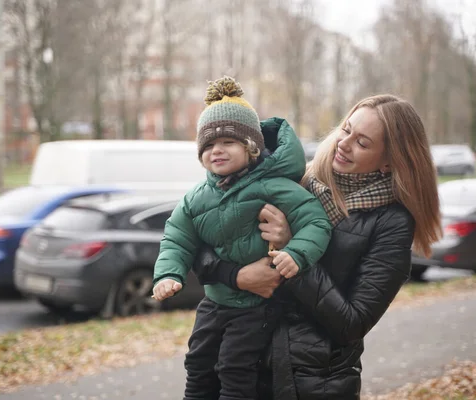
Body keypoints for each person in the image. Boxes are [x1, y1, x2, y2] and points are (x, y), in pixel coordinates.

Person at [193, 94, 442, 399]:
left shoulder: (391, 223)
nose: (344, 143)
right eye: (346, 129)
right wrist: (235, 276)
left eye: (362, 143)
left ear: (390, 161)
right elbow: (198, 238)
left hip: (312, 384)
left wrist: (293, 250)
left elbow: (352, 323)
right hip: (238, 366)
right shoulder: (297, 180)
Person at [152, 76, 333, 400]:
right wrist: (168, 273)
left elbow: (316, 222)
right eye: (208, 145)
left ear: (251, 147)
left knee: (235, 368)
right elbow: (177, 238)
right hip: (214, 301)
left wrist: (297, 253)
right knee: (197, 363)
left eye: (227, 142)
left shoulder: (274, 186)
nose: (216, 150)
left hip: (255, 307)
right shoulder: (196, 197)